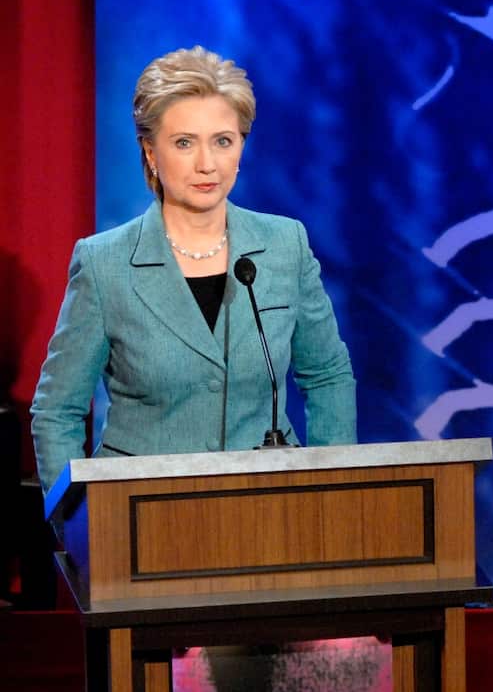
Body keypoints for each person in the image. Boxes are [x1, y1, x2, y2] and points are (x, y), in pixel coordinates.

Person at [31, 46, 357, 494]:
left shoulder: (285, 245)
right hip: (141, 517)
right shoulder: (104, 262)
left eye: (223, 140)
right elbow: (57, 409)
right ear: (150, 151)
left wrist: (333, 490)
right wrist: (80, 525)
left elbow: (327, 376)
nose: (207, 164)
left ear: (241, 145)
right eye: (184, 143)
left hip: (273, 508)